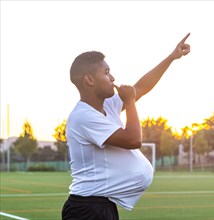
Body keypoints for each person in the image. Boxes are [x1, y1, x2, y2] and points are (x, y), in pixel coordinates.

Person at [62, 33, 190, 220]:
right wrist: (130, 102)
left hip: (101, 205)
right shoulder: (83, 116)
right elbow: (133, 140)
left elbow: (142, 87)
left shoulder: (106, 105)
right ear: (89, 80)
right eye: (106, 73)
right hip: (87, 209)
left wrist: (172, 57)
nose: (113, 78)